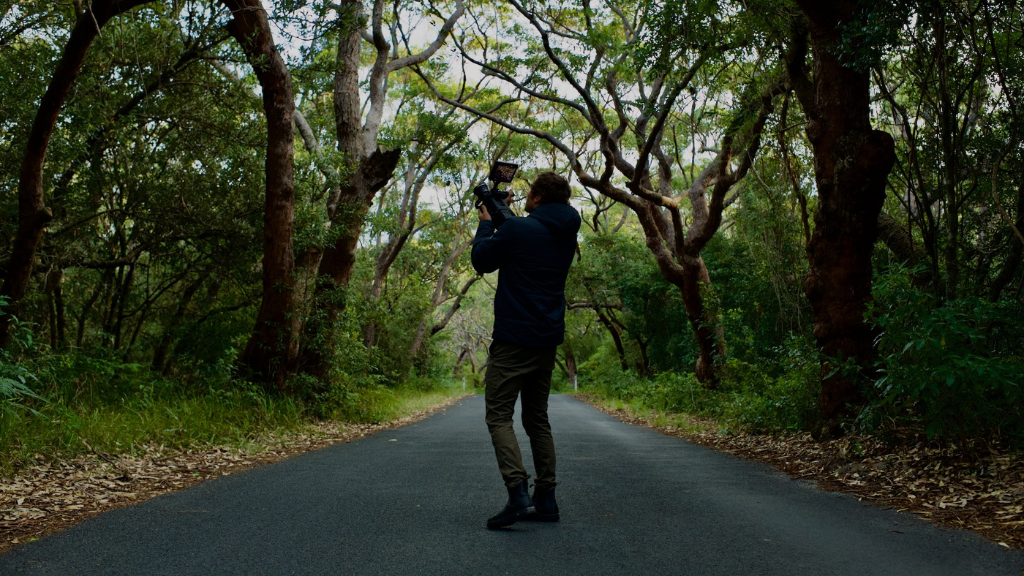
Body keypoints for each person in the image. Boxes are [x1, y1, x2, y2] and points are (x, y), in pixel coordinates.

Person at [471, 171, 581, 529]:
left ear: (535, 198)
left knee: (499, 416)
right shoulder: (567, 235)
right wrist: (508, 215)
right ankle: (546, 498)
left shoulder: (518, 230)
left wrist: (488, 223)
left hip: (513, 340)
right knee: (537, 419)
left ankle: (517, 493)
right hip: (546, 340)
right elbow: (530, 232)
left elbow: (483, 260)